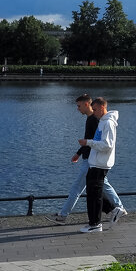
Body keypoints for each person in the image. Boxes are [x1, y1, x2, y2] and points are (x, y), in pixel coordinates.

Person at [46, 94, 126, 225]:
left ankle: (63, 216)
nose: (77, 109)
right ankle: (118, 208)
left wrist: (82, 150)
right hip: (91, 159)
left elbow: (96, 141)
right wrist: (78, 153)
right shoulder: (93, 119)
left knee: (77, 188)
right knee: (101, 185)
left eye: (79, 106)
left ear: (86, 104)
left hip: (92, 160)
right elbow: (90, 140)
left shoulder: (95, 120)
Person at [78, 96, 122, 233]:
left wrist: (88, 143)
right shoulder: (102, 122)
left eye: (95, 109)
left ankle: (95, 224)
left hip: (101, 164)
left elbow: (107, 145)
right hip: (96, 162)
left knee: (94, 194)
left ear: (102, 107)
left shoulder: (108, 123)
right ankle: (112, 210)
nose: (93, 111)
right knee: (93, 192)